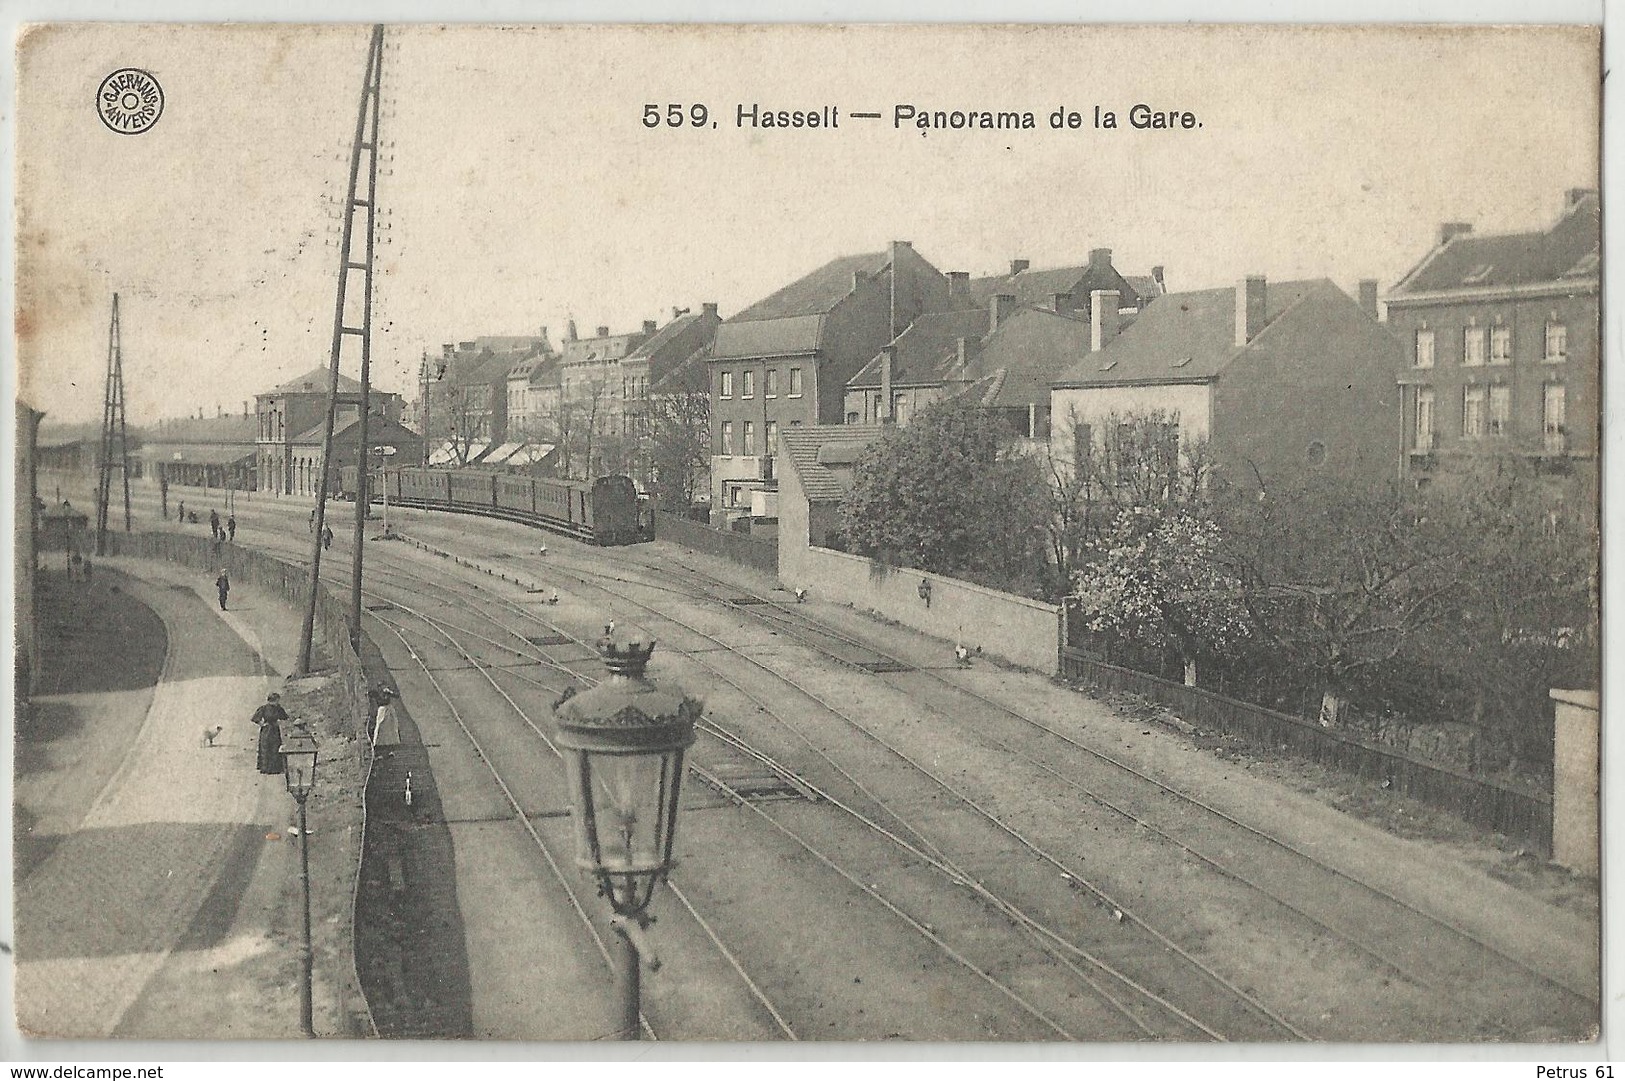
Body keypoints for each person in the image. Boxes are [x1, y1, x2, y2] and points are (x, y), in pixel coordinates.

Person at [251, 692, 289, 775]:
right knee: (266, 747)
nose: (278, 702)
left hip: (275, 730)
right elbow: (255, 718)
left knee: (275, 747)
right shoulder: (264, 708)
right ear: (272, 700)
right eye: (277, 700)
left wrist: (279, 722)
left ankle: (275, 768)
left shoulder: (278, 708)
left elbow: (285, 717)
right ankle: (265, 768)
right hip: (266, 730)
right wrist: (262, 724)